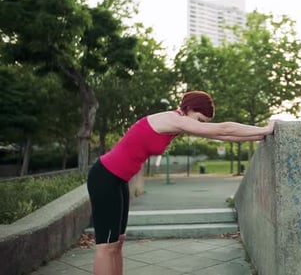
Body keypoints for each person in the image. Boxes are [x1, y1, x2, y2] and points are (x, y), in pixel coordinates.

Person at [86, 90, 276, 275]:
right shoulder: (173, 119)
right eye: (200, 120)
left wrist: (260, 134)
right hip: (105, 177)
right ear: (190, 109)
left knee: (118, 242)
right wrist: (266, 129)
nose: (201, 125)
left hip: (118, 180)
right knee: (106, 246)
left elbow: (222, 135)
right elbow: (223, 129)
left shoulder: (178, 122)